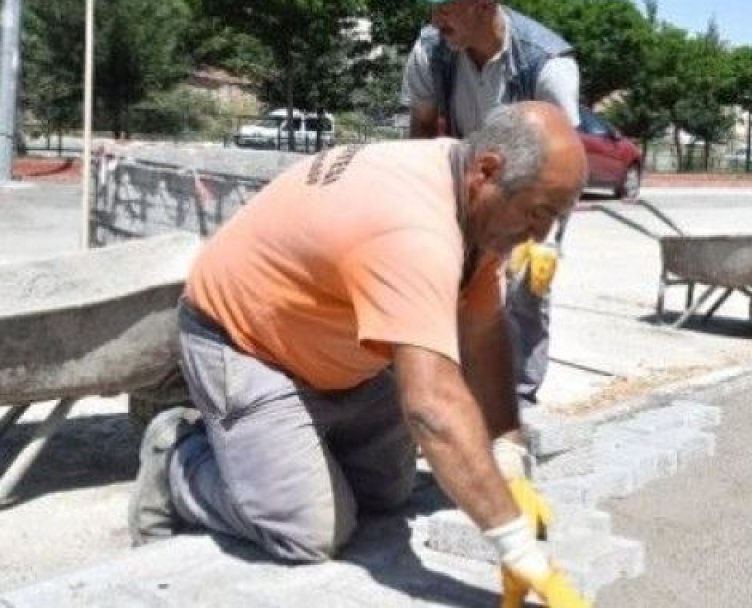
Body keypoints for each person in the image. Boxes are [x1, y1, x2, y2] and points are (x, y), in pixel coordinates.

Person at [129, 102, 590, 607]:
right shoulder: (413, 226)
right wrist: (517, 548)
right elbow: (432, 408)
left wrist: (507, 453)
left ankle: (281, 455)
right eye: (539, 212)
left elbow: (482, 330)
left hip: (335, 353)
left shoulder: (472, 199)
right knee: (311, 530)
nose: (541, 235)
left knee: (387, 495)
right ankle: (178, 458)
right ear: (488, 170)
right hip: (247, 345)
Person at [401, 0, 581, 404]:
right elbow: (421, 127)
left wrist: (548, 240)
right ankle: (454, 392)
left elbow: (565, 159)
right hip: (468, 181)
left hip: (532, 188)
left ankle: (518, 402)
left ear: (482, 3)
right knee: (452, 281)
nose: (436, 18)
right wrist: (418, 208)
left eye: (446, 6)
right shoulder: (432, 50)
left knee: (526, 288)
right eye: (432, 6)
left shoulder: (546, 64)